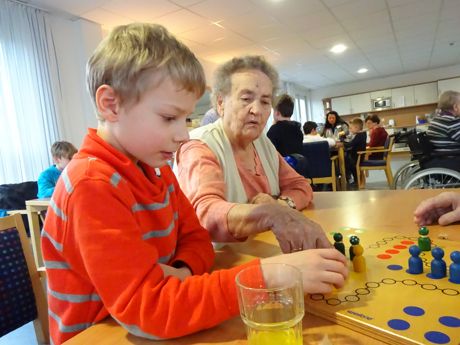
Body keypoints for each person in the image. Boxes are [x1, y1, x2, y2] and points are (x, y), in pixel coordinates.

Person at [41, 24, 348, 345]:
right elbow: (149, 312)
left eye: (185, 119)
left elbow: (197, 240)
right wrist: (270, 275)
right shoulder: (92, 183)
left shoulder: (156, 170)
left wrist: (183, 271)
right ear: (111, 104)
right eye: (168, 117)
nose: (183, 134)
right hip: (99, 335)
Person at [175, 55, 331, 253]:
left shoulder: (262, 142)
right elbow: (204, 213)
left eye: (265, 102)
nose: (256, 110)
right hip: (224, 264)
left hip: (267, 251)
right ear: (221, 103)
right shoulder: (199, 146)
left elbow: (300, 186)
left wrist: (279, 205)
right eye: (246, 99)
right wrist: (268, 214)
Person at [425, 90, 460, 169]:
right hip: (452, 157)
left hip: (441, 156)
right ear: (455, 107)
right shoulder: (451, 121)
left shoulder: (437, 119)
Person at [337, 118, 367, 186]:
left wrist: (342, 143)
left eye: (351, 128)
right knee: (346, 160)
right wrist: (343, 142)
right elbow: (351, 143)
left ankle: (355, 180)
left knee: (346, 162)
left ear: (356, 128)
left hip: (358, 157)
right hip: (356, 155)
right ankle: (352, 179)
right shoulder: (361, 134)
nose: (350, 130)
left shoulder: (360, 135)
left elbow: (351, 144)